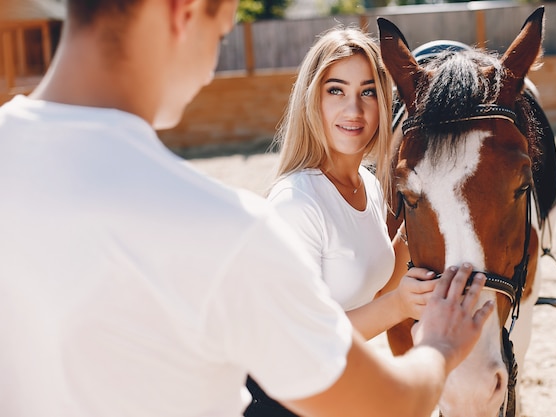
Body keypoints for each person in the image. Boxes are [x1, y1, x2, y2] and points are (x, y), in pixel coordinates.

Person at [0, 2, 493, 417]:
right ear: (184, 12)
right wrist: (442, 347)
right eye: (221, 34)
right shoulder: (226, 229)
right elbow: (385, 403)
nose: (212, 67)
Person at [244, 26, 443, 417]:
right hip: (280, 403)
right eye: (336, 90)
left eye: (368, 91)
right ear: (312, 100)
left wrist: (420, 225)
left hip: (336, 389)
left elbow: (368, 282)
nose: (354, 110)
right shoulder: (296, 203)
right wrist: (399, 305)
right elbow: (302, 339)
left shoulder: (365, 184)